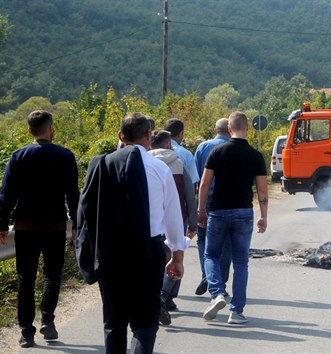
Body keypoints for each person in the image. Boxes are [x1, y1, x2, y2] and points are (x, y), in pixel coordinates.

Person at [77, 113, 186, 353]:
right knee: (145, 321)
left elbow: (85, 212)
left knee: (114, 323)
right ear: (149, 135)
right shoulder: (159, 168)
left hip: (110, 253)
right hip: (147, 252)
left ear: (120, 136)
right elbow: (173, 216)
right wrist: (177, 255)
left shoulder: (102, 165)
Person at [0, 110, 79, 348]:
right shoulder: (65, 156)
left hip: (25, 227)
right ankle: (48, 320)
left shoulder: (19, 156)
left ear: (29, 131)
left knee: (26, 278)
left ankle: (26, 332)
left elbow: (6, 195)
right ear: (51, 128)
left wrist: (2, 225)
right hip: (55, 226)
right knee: (52, 275)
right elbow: (73, 195)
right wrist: (76, 224)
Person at [197, 111, 268, 325]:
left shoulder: (217, 152)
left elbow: (204, 184)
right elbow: (263, 192)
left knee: (211, 256)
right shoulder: (256, 155)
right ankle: (236, 312)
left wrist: (201, 210)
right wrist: (263, 217)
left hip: (217, 211)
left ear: (229, 128)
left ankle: (217, 293)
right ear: (247, 128)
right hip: (243, 212)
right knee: (241, 263)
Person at [148, 130, 197, 323]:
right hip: (177, 218)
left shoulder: (144, 163)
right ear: (168, 144)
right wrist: (193, 222)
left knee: (157, 261)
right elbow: (189, 194)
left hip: (152, 221)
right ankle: (164, 296)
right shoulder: (178, 163)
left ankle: (158, 297)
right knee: (174, 258)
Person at [192, 118, 231, 296]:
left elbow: (197, 177)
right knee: (226, 241)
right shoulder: (234, 147)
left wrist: (198, 207)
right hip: (229, 200)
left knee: (203, 239)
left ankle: (206, 274)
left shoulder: (202, 147)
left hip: (207, 199)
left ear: (215, 129)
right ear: (229, 130)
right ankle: (220, 281)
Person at [164, 118, 199, 186]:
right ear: (180, 134)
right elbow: (192, 181)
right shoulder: (186, 154)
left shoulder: (152, 151)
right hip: (180, 194)